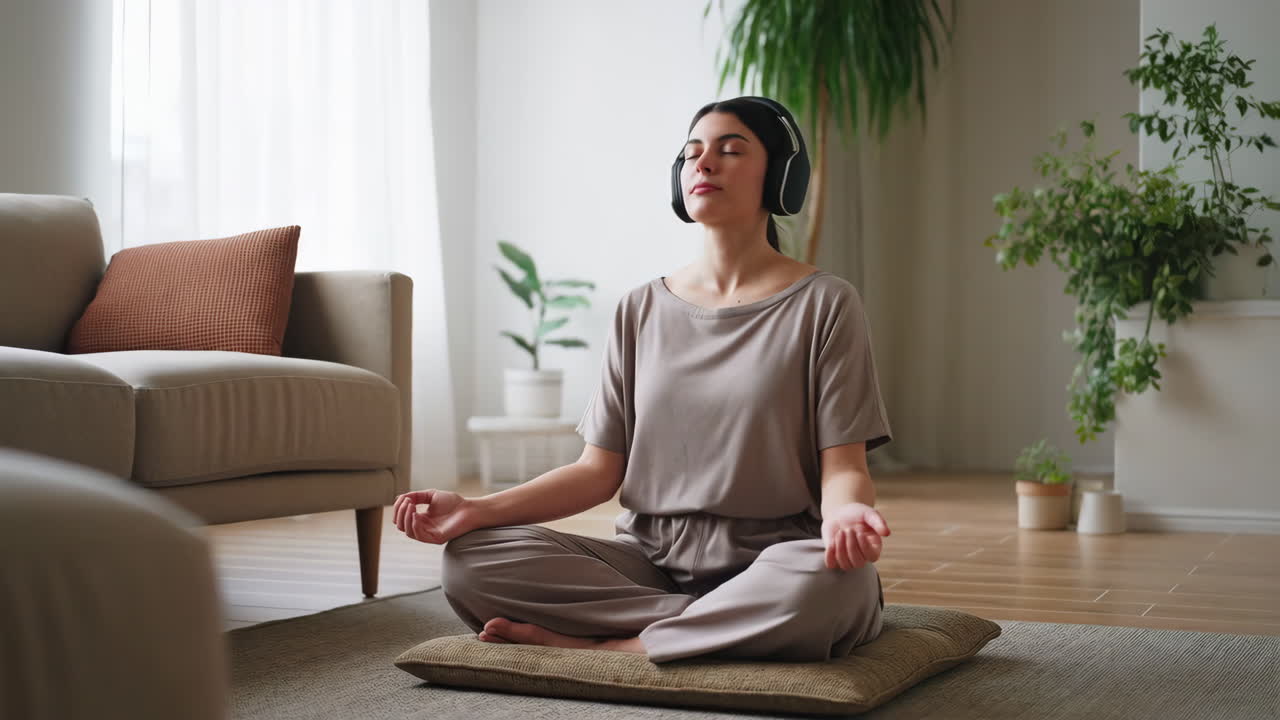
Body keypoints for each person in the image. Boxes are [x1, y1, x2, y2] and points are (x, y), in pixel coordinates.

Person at [392, 96, 894, 664]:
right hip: (648, 564)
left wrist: (847, 513)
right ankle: (721, 626)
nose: (703, 165)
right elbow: (595, 472)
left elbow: (845, 468)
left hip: (776, 556)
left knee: (835, 583)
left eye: (731, 150)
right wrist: (476, 510)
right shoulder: (640, 309)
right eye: (691, 154)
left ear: (780, 176)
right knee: (469, 561)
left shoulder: (825, 303)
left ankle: (624, 643)